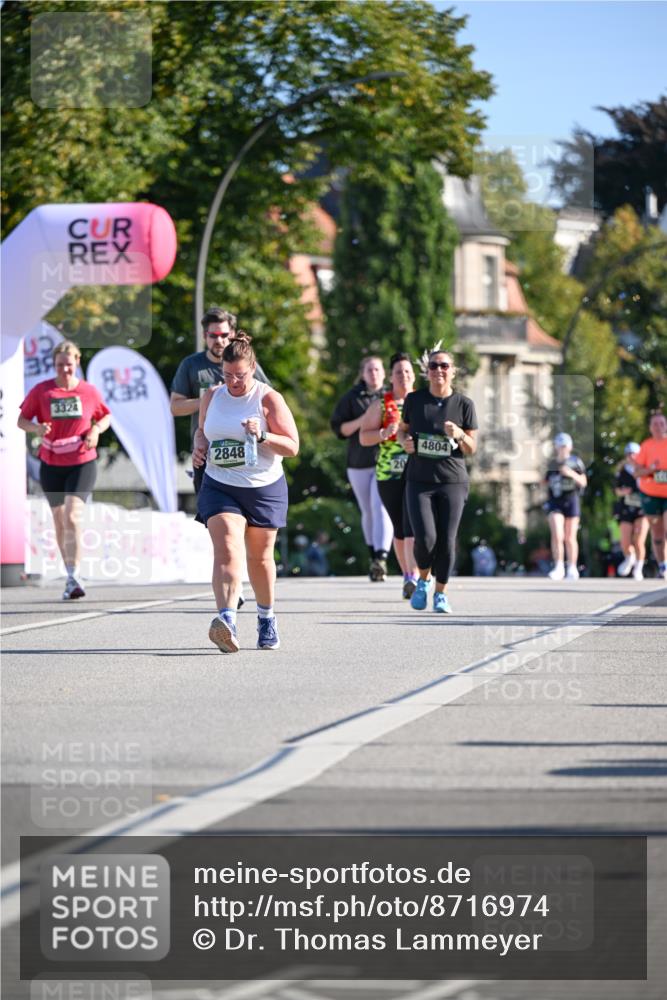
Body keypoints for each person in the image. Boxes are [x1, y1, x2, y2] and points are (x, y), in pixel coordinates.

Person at [193, 334, 299, 652]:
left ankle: (266, 618)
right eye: (227, 375)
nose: (234, 381)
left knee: (260, 558)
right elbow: (202, 431)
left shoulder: (268, 399)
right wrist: (199, 445)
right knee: (226, 549)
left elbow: (292, 446)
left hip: (263, 487)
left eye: (240, 375)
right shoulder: (212, 396)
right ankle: (226, 620)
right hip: (220, 484)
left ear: (252, 368)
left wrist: (263, 434)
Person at [171, 307, 269, 609]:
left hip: (248, 460)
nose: (219, 340)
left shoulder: (244, 364)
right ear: (204, 336)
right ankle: (231, 580)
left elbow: (268, 399)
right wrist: (209, 398)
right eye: (213, 335)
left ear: (232, 334)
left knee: (239, 529)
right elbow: (174, 407)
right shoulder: (192, 366)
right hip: (209, 457)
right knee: (223, 530)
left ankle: (234, 583)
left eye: (224, 334)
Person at [17, 340, 111, 600]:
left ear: (77, 362)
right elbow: (21, 420)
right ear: (54, 365)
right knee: (59, 521)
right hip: (51, 463)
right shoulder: (42, 391)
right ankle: (70, 574)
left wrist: (95, 429)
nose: (65, 370)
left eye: (69, 365)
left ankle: (76, 575)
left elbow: (105, 416)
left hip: (82, 461)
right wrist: (36, 428)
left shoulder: (89, 392)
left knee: (72, 516)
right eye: (60, 365)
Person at [397, 348, 478, 613]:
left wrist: (460, 436)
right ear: (427, 371)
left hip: (452, 482)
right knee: (425, 538)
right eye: (433, 366)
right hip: (419, 480)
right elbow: (403, 431)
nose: (438, 371)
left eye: (444, 366)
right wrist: (405, 443)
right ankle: (423, 579)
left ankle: (441, 593)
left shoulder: (464, 405)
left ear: (453, 371)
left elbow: (472, 447)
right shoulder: (414, 400)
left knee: (446, 540)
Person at [359, 352, 418, 598]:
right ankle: (407, 576)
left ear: (414, 375)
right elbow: (364, 437)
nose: (403, 376)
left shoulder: (422, 401)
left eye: (407, 371)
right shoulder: (382, 404)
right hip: (389, 474)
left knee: (416, 525)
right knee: (401, 528)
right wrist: (384, 433)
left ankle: (416, 576)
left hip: (419, 473)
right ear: (390, 377)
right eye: (398, 372)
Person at [331, 356, 393, 581]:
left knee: (381, 507)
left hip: (384, 460)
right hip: (357, 462)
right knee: (367, 510)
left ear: (384, 373)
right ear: (363, 373)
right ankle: (373, 558)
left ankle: (382, 557)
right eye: (369, 369)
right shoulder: (352, 397)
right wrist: (364, 420)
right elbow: (339, 430)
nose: (374, 373)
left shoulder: (391, 396)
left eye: (377, 369)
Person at [545, 432, 587, 581]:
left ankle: (572, 567)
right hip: (555, 502)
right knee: (557, 534)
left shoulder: (576, 462)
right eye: (560, 446)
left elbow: (583, 482)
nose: (562, 449)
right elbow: (544, 482)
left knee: (570, 537)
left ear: (570, 447)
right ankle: (558, 566)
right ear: (556, 447)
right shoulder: (551, 464)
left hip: (572, 501)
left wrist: (570, 474)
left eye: (565, 446)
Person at [631, 410, 667, 580]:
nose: (659, 427)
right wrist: (651, 470)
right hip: (650, 495)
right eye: (655, 424)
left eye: (661, 423)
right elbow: (636, 473)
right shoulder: (646, 446)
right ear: (650, 428)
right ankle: (663, 565)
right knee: (657, 534)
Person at [613, 442, 648, 580]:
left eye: (634, 454)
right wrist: (622, 492)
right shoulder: (622, 472)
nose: (632, 457)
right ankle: (630, 556)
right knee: (625, 542)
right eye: (629, 454)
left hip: (643, 510)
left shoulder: (645, 471)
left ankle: (638, 568)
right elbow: (616, 490)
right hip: (626, 509)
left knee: (639, 539)